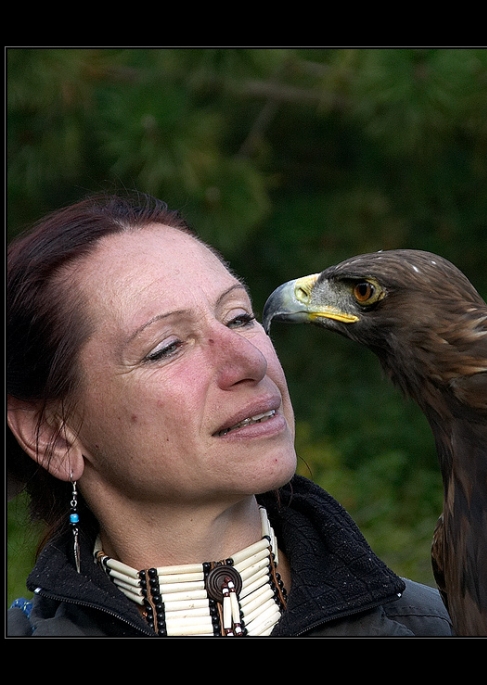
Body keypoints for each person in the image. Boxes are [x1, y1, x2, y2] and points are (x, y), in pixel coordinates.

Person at [6, 192, 452, 637]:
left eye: (239, 317)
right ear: (54, 433)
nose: (250, 361)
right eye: (167, 347)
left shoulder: (463, 624)